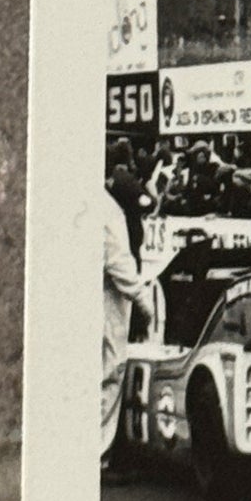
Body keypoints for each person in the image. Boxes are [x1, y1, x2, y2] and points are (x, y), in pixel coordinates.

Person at [103, 186, 153, 458]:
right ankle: (99, 453)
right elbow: (119, 263)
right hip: (105, 299)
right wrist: (144, 300)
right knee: (109, 372)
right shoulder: (107, 209)